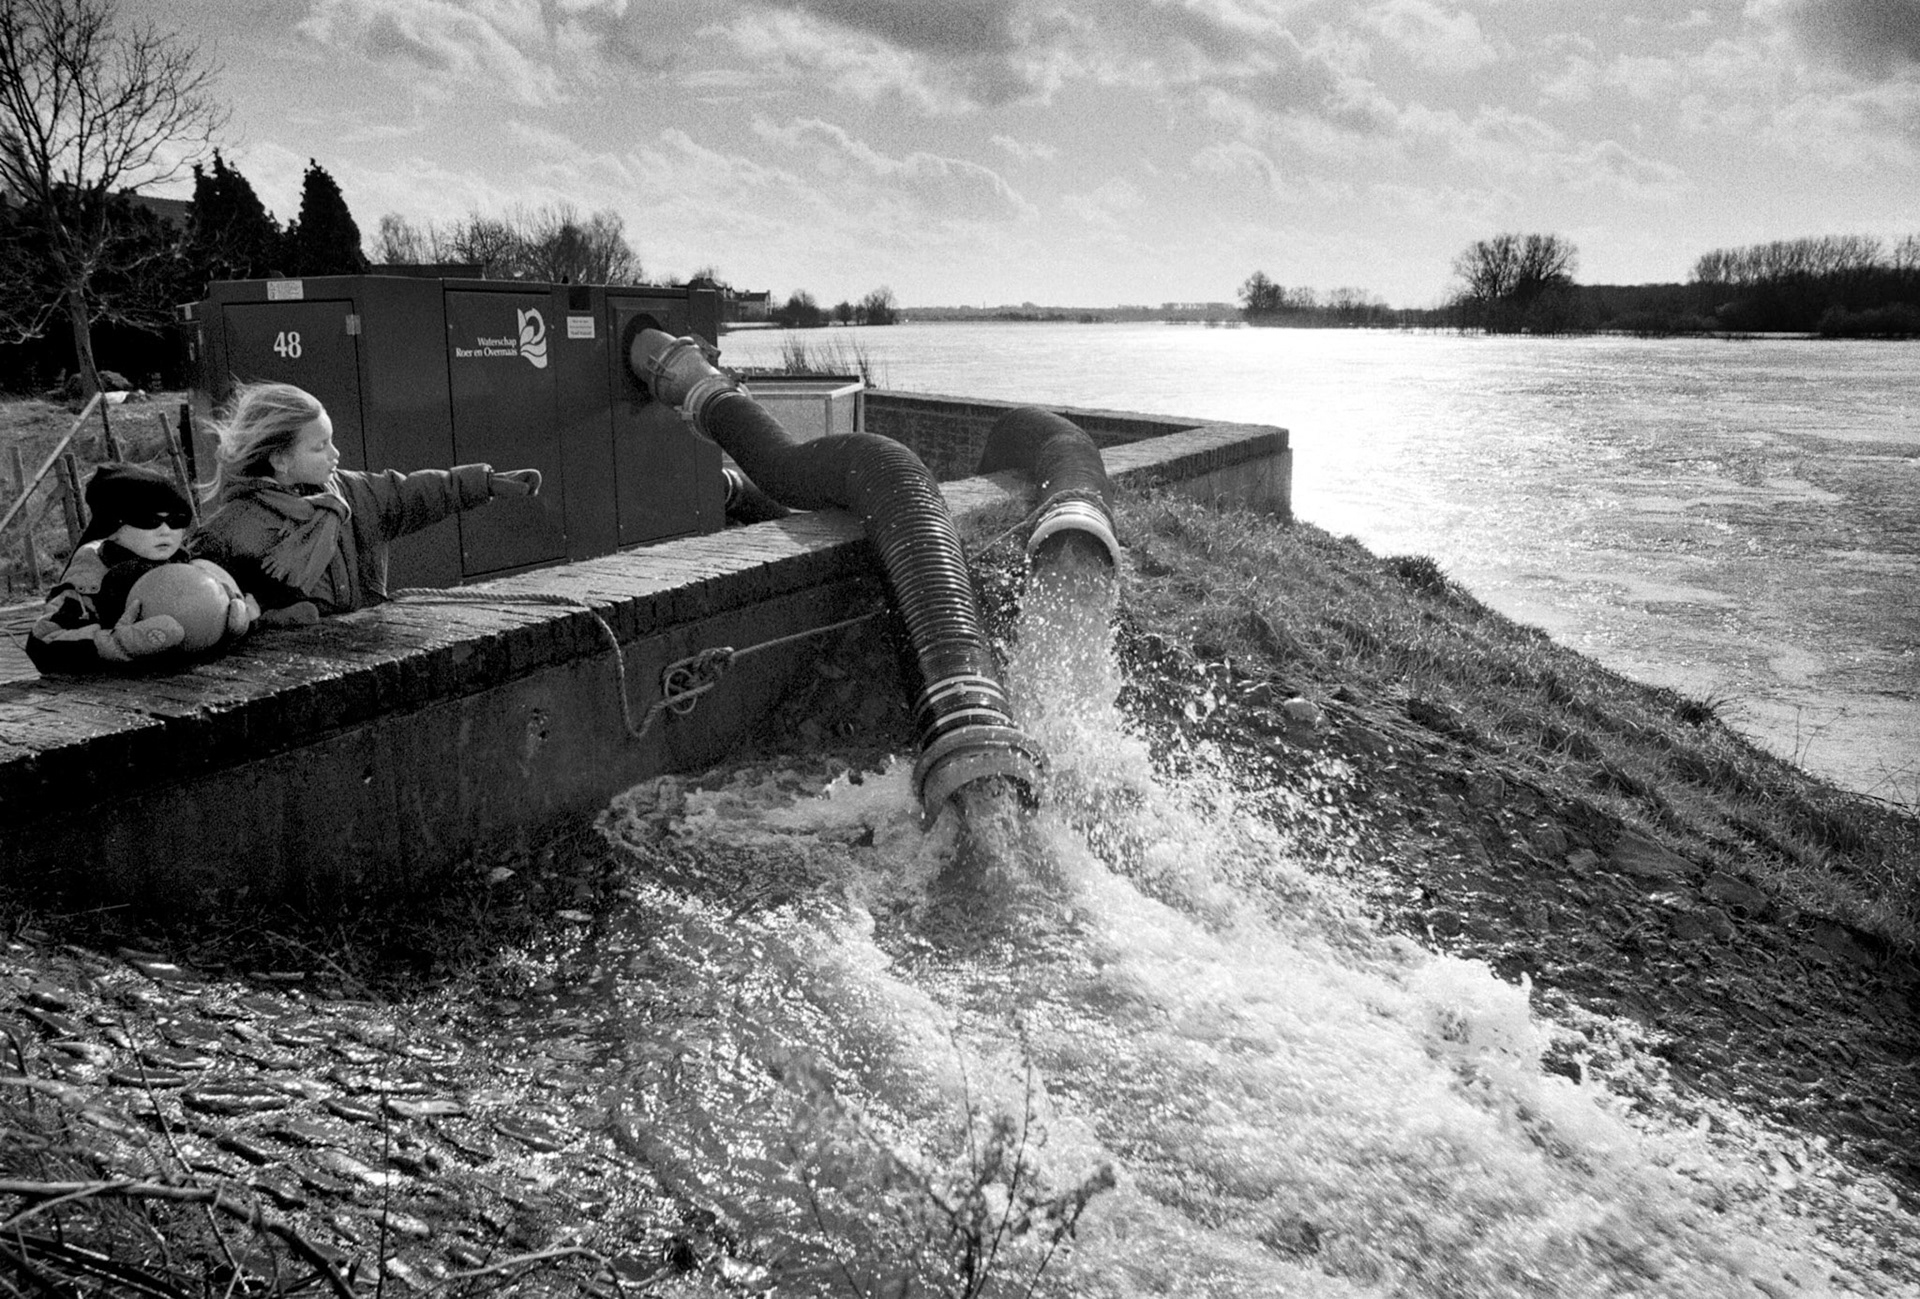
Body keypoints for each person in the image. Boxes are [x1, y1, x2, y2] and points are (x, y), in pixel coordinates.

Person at [192, 382, 542, 618]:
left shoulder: (351, 493)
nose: (335, 453)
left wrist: (486, 483)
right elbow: (199, 604)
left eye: (331, 440)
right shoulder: (230, 531)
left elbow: (412, 495)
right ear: (280, 459)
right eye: (319, 446)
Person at [26, 463, 258, 673]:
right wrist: (119, 643)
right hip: (111, 699)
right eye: (149, 521)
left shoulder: (193, 569)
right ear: (113, 529)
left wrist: (235, 623)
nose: (165, 530)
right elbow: (42, 645)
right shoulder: (88, 580)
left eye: (177, 519)